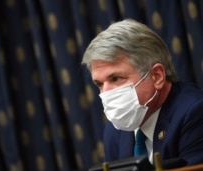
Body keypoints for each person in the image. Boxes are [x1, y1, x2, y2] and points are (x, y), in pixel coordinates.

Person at [81, 19, 203, 166]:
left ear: (157, 76)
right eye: (99, 84)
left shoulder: (194, 113)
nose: (105, 93)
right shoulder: (114, 131)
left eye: (116, 78)